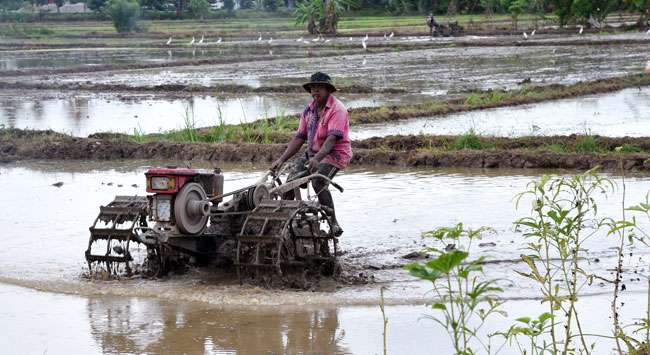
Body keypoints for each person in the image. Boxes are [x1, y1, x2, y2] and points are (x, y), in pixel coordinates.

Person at [270, 72, 352, 236]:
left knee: (318, 182)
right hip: (313, 153)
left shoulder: (337, 110)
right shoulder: (309, 110)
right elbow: (299, 138)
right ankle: (283, 220)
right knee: (290, 182)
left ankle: (333, 223)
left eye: (319, 88)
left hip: (335, 154)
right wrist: (281, 159)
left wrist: (317, 159)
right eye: (313, 89)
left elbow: (331, 140)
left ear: (328, 90)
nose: (315, 92)